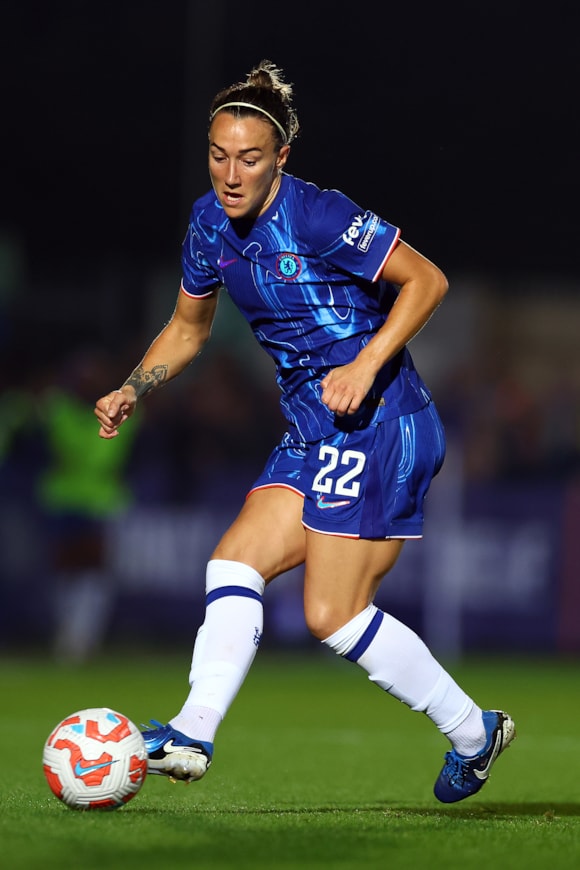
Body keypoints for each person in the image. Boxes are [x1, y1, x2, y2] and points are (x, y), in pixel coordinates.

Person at [94, 60, 515, 803]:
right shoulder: (206, 225)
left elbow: (428, 280)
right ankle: (193, 731)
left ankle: (475, 734)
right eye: (219, 155)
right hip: (315, 427)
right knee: (232, 564)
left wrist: (364, 364)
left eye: (250, 158)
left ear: (281, 158)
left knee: (331, 615)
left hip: (382, 420)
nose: (232, 173)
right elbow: (188, 330)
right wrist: (134, 386)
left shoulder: (319, 214)